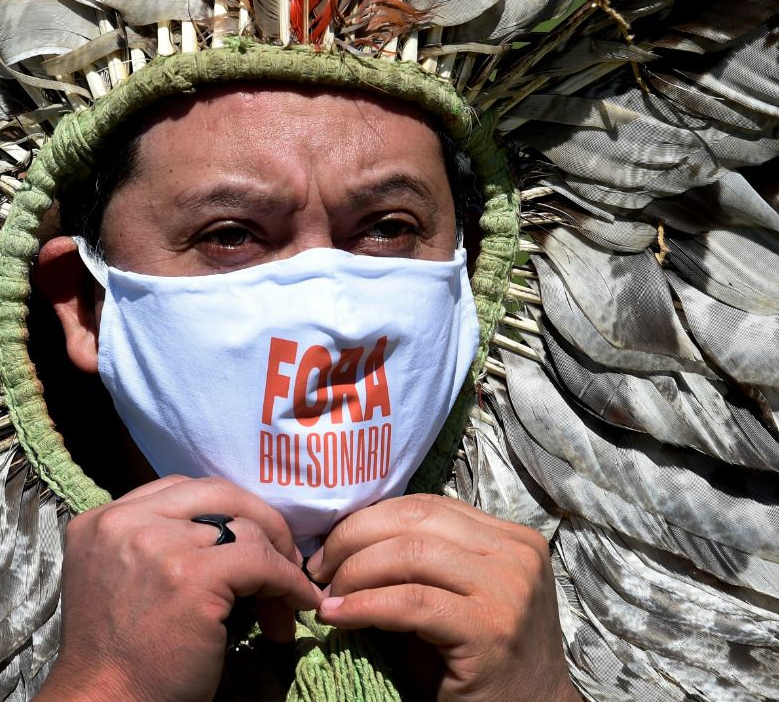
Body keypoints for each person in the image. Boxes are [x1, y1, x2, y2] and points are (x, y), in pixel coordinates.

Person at [29, 83, 581, 702]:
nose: (331, 316)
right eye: (231, 235)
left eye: (388, 228)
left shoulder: (539, 631)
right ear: (86, 305)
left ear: (469, 279)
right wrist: (111, 685)